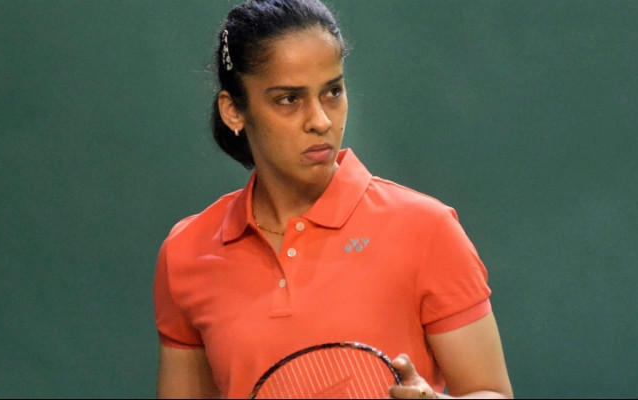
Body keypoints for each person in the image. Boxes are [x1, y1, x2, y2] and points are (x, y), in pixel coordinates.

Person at [153, 0, 514, 398]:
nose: (321, 120)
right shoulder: (186, 253)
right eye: (289, 99)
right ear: (233, 111)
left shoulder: (427, 229)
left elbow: (492, 392)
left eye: (332, 92)